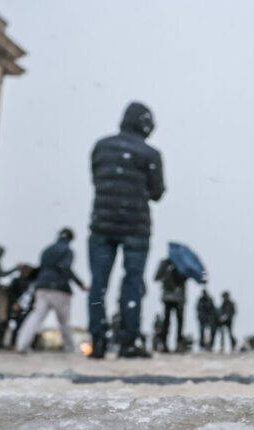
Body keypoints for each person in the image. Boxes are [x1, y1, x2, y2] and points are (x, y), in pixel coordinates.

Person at [87, 101, 164, 359]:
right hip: (136, 227)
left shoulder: (102, 146)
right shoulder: (150, 154)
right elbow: (157, 192)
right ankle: (128, 341)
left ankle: (98, 340)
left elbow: (97, 179)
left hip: (102, 224)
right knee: (132, 284)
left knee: (98, 284)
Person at [16, 229, 88, 353]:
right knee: (64, 321)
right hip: (60, 288)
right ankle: (70, 349)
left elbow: (42, 267)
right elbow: (65, 268)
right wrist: (80, 284)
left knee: (36, 316)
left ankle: (22, 344)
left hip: (42, 286)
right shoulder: (67, 251)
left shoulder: (47, 250)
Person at [154, 258, 188, 352]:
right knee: (172, 321)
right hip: (174, 297)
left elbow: (157, 277)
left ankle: (170, 342)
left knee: (171, 321)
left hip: (172, 297)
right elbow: (157, 277)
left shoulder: (167, 264)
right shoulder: (181, 264)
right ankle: (172, 342)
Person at [4, 265, 39, 348]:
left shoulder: (33, 283)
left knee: (27, 326)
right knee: (16, 325)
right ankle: (13, 344)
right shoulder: (17, 281)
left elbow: (34, 296)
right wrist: (14, 303)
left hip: (29, 307)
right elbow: (10, 293)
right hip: (18, 306)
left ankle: (25, 344)